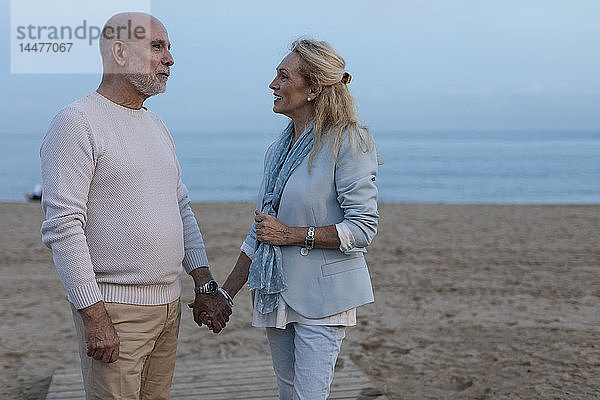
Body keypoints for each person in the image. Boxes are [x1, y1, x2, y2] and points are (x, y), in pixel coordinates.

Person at [40, 12, 231, 400]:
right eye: (157, 47)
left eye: (169, 48)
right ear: (120, 53)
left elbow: (182, 209)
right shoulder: (77, 122)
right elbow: (63, 226)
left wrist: (204, 282)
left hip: (169, 308)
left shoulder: (156, 125)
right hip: (115, 312)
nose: (169, 59)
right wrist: (93, 315)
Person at [218, 38, 379, 399]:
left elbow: (363, 229)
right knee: (288, 394)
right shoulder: (278, 149)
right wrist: (226, 294)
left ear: (313, 88)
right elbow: (261, 232)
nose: (273, 84)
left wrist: (292, 235)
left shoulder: (348, 141)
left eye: (283, 76)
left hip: (325, 296)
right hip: (276, 293)